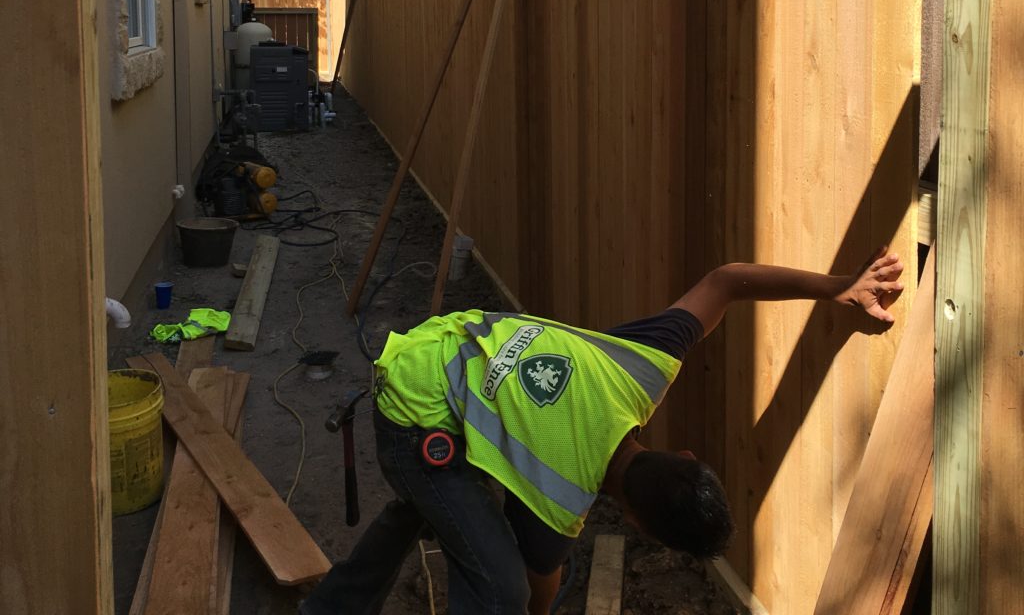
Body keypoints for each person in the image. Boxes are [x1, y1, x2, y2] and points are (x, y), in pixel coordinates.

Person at [300, 248, 904, 615]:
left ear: (685, 453)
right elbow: (536, 592)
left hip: (444, 346)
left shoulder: (642, 368)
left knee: (439, 513)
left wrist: (836, 288)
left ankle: (332, 610)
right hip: (411, 415)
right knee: (499, 591)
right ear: (636, 523)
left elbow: (726, 281)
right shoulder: (558, 500)